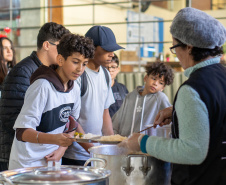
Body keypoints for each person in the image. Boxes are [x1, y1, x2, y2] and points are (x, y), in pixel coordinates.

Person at [119, 7, 226, 185]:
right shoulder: (222, 75)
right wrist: (177, 111)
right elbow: (216, 116)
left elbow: (192, 151)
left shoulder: (192, 89)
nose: (176, 54)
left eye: (175, 47)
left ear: (189, 46)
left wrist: (142, 142)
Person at [8, 33, 95, 170]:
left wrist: (62, 148)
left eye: (84, 64)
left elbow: (72, 124)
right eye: (75, 62)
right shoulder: (42, 86)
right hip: (27, 164)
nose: (80, 69)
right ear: (60, 60)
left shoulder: (75, 87)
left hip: (52, 162)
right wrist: (54, 139)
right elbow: (22, 132)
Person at [0, 22, 70, 171]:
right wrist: (48, 138)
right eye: (60, 46)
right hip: (20, 155)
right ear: (46, 45)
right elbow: (12, 117)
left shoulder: (54, 73)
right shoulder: (23, 72)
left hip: (42, 154)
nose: (64, 52)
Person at [63, 25, 124, 166]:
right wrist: (92, 149)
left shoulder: (105, 75)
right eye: (107, 50)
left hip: (97, 153)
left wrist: (110, 145)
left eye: (113, 50)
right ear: (92, 48)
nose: (112, 54)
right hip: (75, 156)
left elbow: (105, 113)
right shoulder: (78, 76)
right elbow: (71, 118)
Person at [112, 62, 174, 136]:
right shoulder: (130, 96)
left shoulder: (161, 98)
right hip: (125, 142)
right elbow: (117, 120)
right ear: (146, 78)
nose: (155, 83)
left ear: (162, 88)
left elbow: (170, 120)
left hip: (146, 144)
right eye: (153, 79)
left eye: (160, 83)